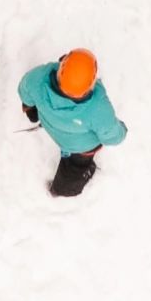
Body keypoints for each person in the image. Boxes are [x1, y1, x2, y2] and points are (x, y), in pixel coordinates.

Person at [17, 46, 125, 198]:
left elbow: (24, 90)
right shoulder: (97, 108)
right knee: (75, 169)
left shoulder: (38, 78)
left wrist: (31, 111)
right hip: (80, 147)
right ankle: (62, 189)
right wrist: (122, 130)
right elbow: (112, 136)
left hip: (50, 123)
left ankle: (60, 188)